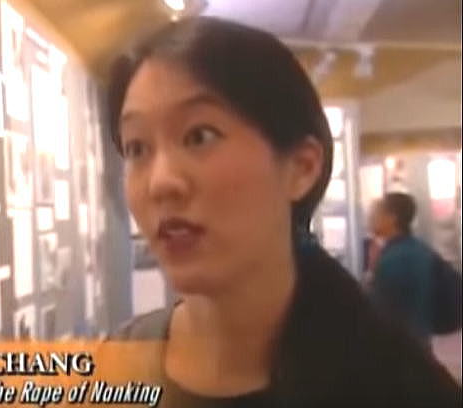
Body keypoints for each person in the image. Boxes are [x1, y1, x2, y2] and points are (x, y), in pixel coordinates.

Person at [107, 17, 461, 407]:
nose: (160, 183)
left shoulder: (401, 386)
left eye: (199, 136)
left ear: (301, 167)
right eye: (137, 148)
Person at [369, 193, 435, 343]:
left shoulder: (393, 259)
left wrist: (373, 272)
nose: (370, 217)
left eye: (376, 212)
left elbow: (378, 309)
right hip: (419, 341)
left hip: (398, 346)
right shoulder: (418, 249)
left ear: (392, 218)